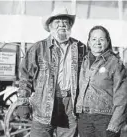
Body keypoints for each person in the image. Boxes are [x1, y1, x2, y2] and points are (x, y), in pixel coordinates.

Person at [17, 6, 86, 137]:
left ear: (70, 25)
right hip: (43, 103)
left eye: (65, 21)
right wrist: (23, 102)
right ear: (50, 26)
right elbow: (25, 76)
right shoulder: (38, 48)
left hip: (70, 105)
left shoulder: (80, 48)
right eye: (57, 21)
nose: (62, 25)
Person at [76, 25, 127, 137]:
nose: (97, 42)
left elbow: (122, 97)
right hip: (84, 118)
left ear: (108, 41)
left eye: (101, 39)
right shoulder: (83, 62)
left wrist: (114, 125)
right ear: (89, 42)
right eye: (94, 39)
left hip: (105, 119)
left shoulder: (115, 64)